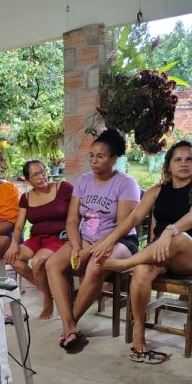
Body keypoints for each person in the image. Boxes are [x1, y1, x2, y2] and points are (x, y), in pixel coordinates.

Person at [96, 140, 192, 363]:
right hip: (158, 251)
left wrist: (169, 232)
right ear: (168, 164)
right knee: (141, 271)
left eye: (189, 159)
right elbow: (133, 217)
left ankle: (125, 264)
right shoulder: (157, 190)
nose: (183, 163)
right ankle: (139, 335)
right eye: (177, 159)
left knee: (177, 238)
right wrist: (108, 240)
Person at [46, 128, 141, 350]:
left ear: (113, 158)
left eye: (100, 156)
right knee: (52, 264)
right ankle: (70, 327)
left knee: (96, 265)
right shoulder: (84, 181)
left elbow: (121, 227)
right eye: (91, 156)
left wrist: (87, 252)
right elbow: (72, 220)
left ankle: (69, 325)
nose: (93, 161)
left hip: (120, 241)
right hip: (86, 239)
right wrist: (77, 246)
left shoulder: (126, 183)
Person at [5, 159, 74, 319]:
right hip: (37, 238)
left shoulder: (63, 188)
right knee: (12, 258)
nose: (42, 177)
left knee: (37, 262)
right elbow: (19, 225)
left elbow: (79, 212)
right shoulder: (26, 198)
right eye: (36, 175)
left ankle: (48, 301)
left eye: (43, 171)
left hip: (60, 237)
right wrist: (14, 244)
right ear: (27, 179)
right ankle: (49, 292)